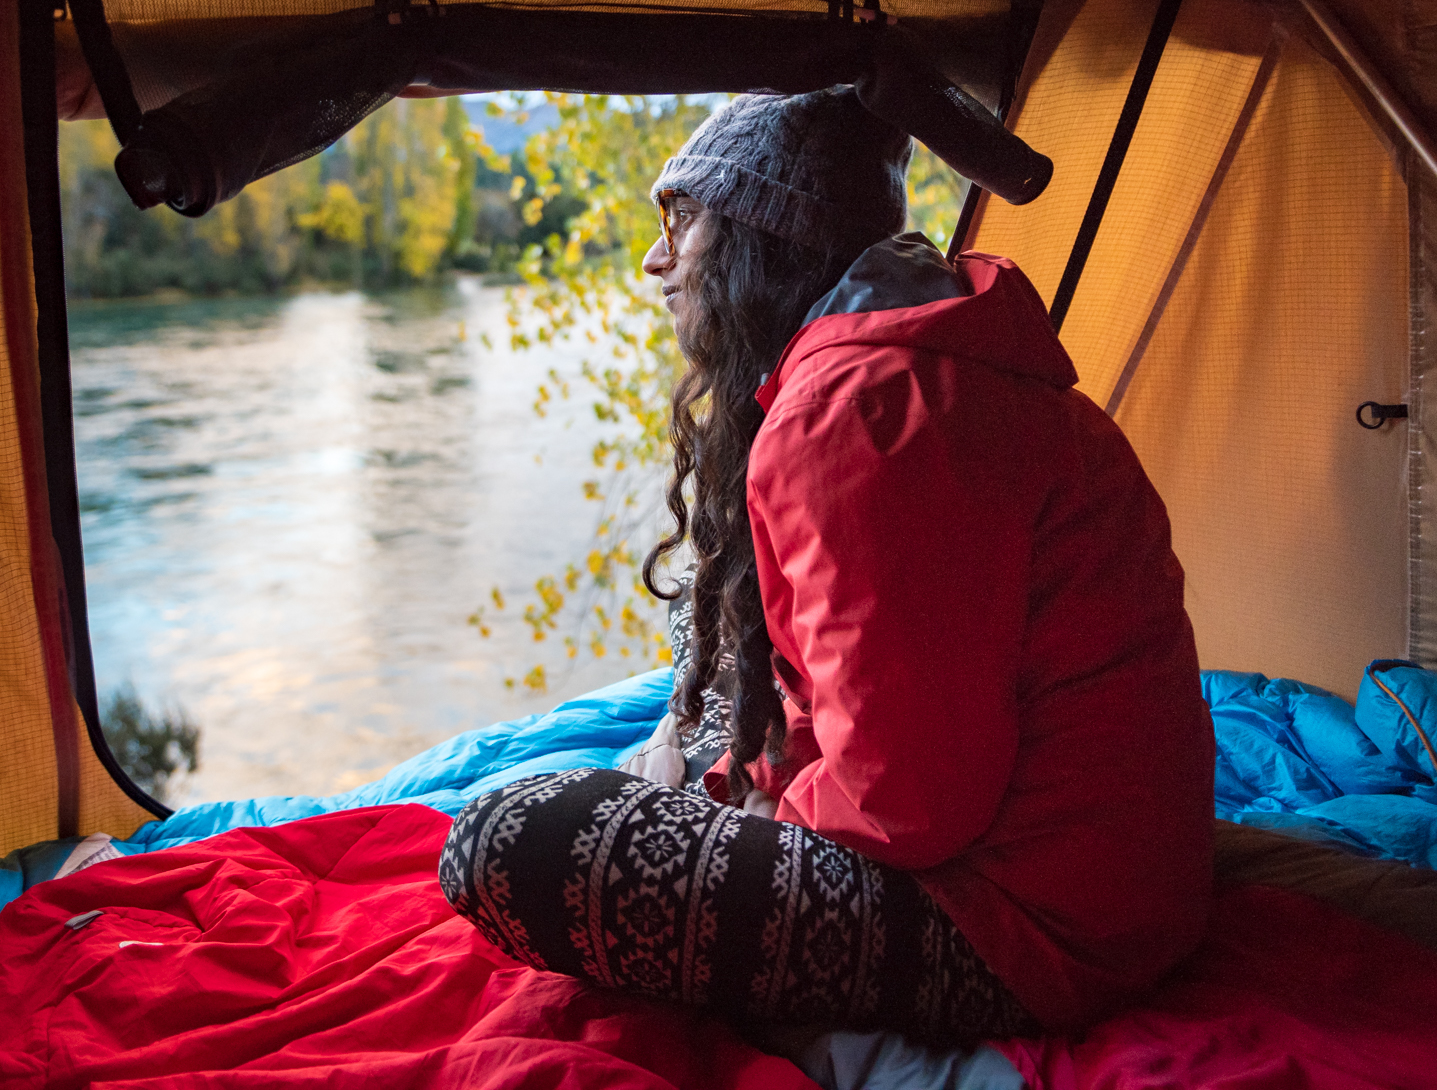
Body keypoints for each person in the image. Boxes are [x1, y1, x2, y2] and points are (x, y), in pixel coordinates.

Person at [440, 87, 1215, 1045]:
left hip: (1033, 928)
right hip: (1123, 887)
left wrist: (750, 803)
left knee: (501, 842)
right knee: (709, 624)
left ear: (762, 238)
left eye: (681, 220)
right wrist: (740, 771)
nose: (654, 259)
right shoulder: (919, 361)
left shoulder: (857, 409)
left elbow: (909, 805)